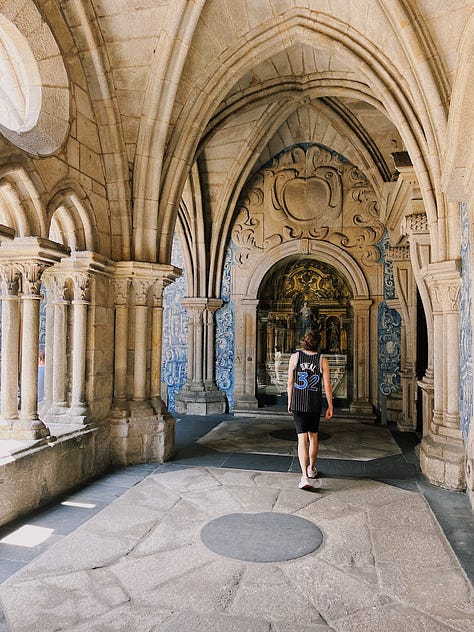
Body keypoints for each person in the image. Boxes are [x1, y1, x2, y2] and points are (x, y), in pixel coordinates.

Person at [287, 330, 333, 490]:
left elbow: (290, 382)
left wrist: (289, 401)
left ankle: (304, 477)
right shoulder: (322, 360)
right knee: (313, 437)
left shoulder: (295, 357)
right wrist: (330, 405)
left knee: (302, 440)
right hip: (314, 404)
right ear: (318, 342)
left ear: (304, 342)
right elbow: (327, 385)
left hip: (298, 403)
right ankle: (311, 468)